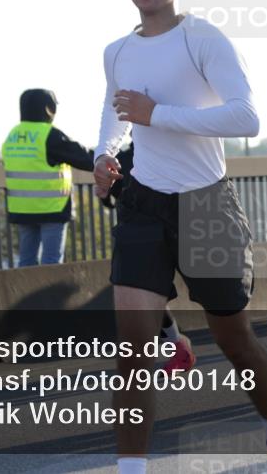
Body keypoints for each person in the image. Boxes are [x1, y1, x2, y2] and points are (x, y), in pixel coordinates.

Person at [94, 0, 267, 474]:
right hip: (144, 202)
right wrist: (104, 155)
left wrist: (156, 113)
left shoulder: (203, 39)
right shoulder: (117, 51)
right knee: (132, 353)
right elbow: (116, 113)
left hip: (207, 205)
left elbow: (245, 118)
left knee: (234, 341)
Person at [100, 143, 196, 374]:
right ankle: (176, 347)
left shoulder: (126, 157)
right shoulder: (129, 157)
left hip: (158, 230)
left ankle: (176, 347)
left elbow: (111, 193)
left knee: (151, 293)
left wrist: (106, 193)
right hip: (145, 232)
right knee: (148, 292)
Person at [1, 88, 94, 266]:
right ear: (49, 109)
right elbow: (82, 157)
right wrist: (107, 159)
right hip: (52, 208)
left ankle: (26, 292)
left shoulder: (12, 135)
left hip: (23, 209)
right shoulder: (48, 135)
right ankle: (45, 295)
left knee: (26, 262)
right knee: (51, 263)